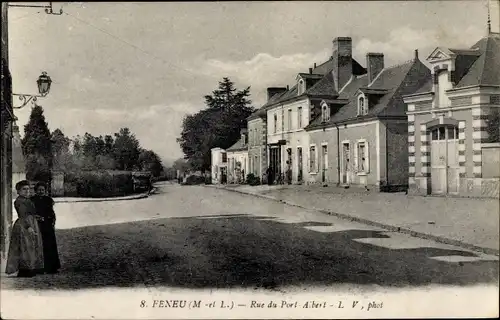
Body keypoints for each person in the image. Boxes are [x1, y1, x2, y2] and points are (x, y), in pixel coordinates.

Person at [6, 180, 45, 277]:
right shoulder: (19, 201)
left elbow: (30, 213)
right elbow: (23, 215)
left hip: (32, 222)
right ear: (18, 191)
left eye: (28, 189)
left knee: (32, 246)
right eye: (24, 189)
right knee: (25, 247)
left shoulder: (27, 200)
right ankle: (25, 270)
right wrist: (28, 227)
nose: (27, 191)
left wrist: (36, 218)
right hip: (24, 225)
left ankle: (32, 267)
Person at [31, 182, 61, 274]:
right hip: (37, 225)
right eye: (39, 190)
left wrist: (49, 219)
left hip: (47, 225)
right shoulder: (32, 200)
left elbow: (51, 213)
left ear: (45, 191)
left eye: (42, 190)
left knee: (49, 245)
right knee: (38, 245)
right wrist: (36, 217)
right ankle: (39, 267)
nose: (41, 192)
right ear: (36, 191)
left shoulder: (48, 200)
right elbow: (30, 213)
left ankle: (51, 267)